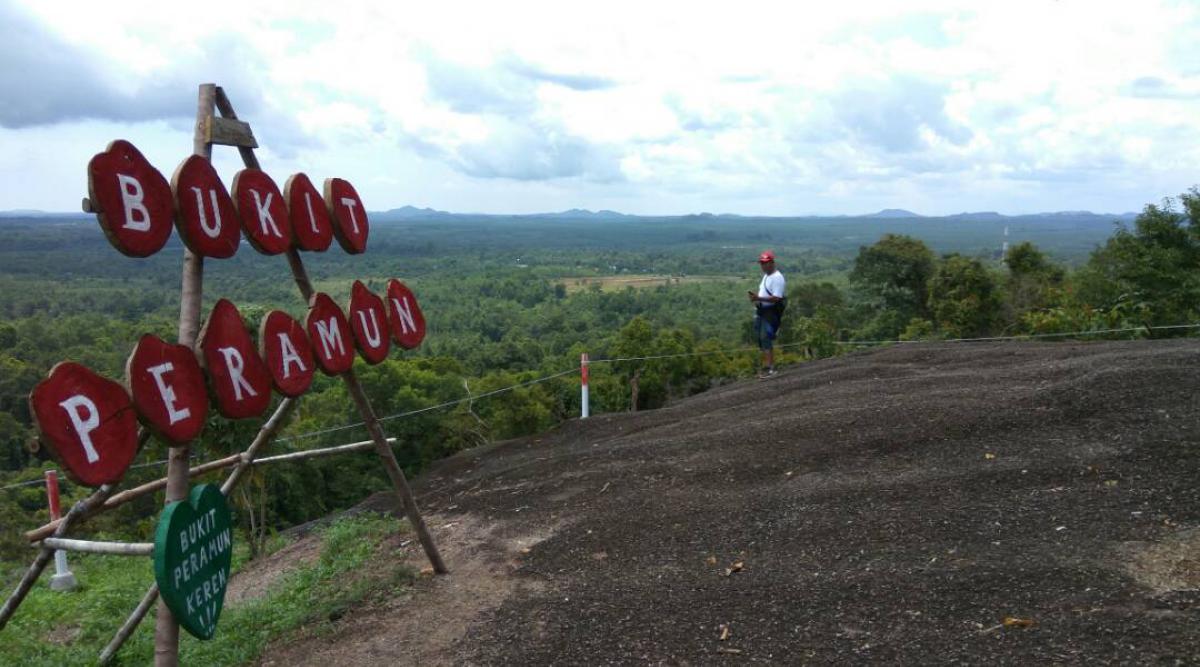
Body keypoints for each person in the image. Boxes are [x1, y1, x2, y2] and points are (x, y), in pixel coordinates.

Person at [748, 250, 785, 378]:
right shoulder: (766, 276)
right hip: (762, 311)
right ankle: (766, 366)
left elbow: (776, 298)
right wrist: (757, 299)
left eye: (766, 263)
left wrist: (758, 298)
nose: (763, 266)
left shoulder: (777, 278)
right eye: (762, 263)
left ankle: (770, 369)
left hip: (771, 312)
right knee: (761, 339)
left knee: (766, 337)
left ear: (772, 263)